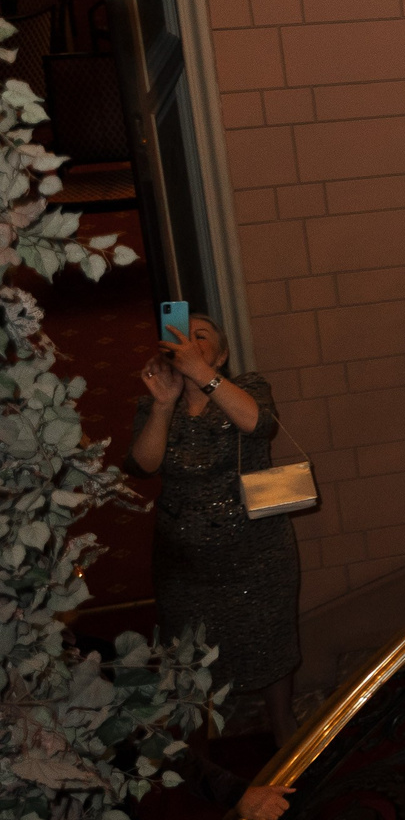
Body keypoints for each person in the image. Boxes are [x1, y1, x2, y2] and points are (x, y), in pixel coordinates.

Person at [133, 314, 301, 742]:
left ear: (221, 355)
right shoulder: (155, 402)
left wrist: (202, 375)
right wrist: (164, 404)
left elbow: (258, 424)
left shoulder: (249, 387)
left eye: (200, 337)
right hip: (183, 562)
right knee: (189, 653)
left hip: (257, 554)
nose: (187, 342)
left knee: (269, 642)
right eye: (179, 337)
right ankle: (203, 749)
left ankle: (284, 731)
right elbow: (144, 465)